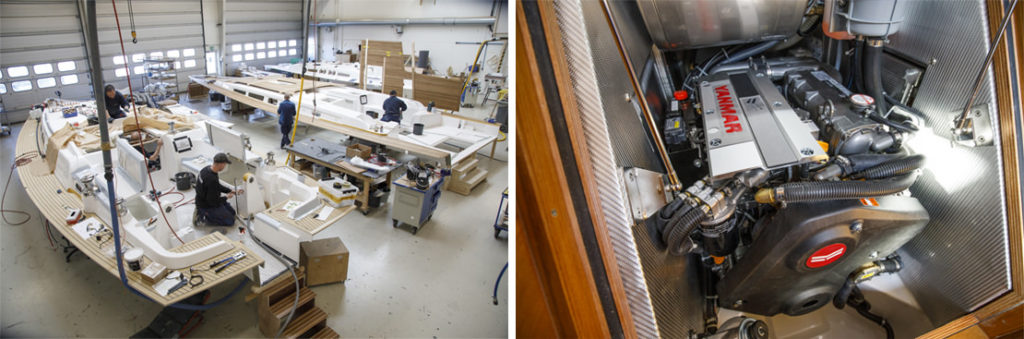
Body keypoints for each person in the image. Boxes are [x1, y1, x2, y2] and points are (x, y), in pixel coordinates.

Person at [193, 153, 243, 226]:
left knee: (233, 213)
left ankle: (206, 212)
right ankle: (203, 216)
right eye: (225, 164)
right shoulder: (211, 180)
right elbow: (213, 202)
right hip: (206, 205)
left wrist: (230, 191)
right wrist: (226, 197)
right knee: (230, 221)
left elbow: (217, 186)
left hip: (205, 198)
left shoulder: (207, 169)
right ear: (221, 164)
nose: (225, 166)